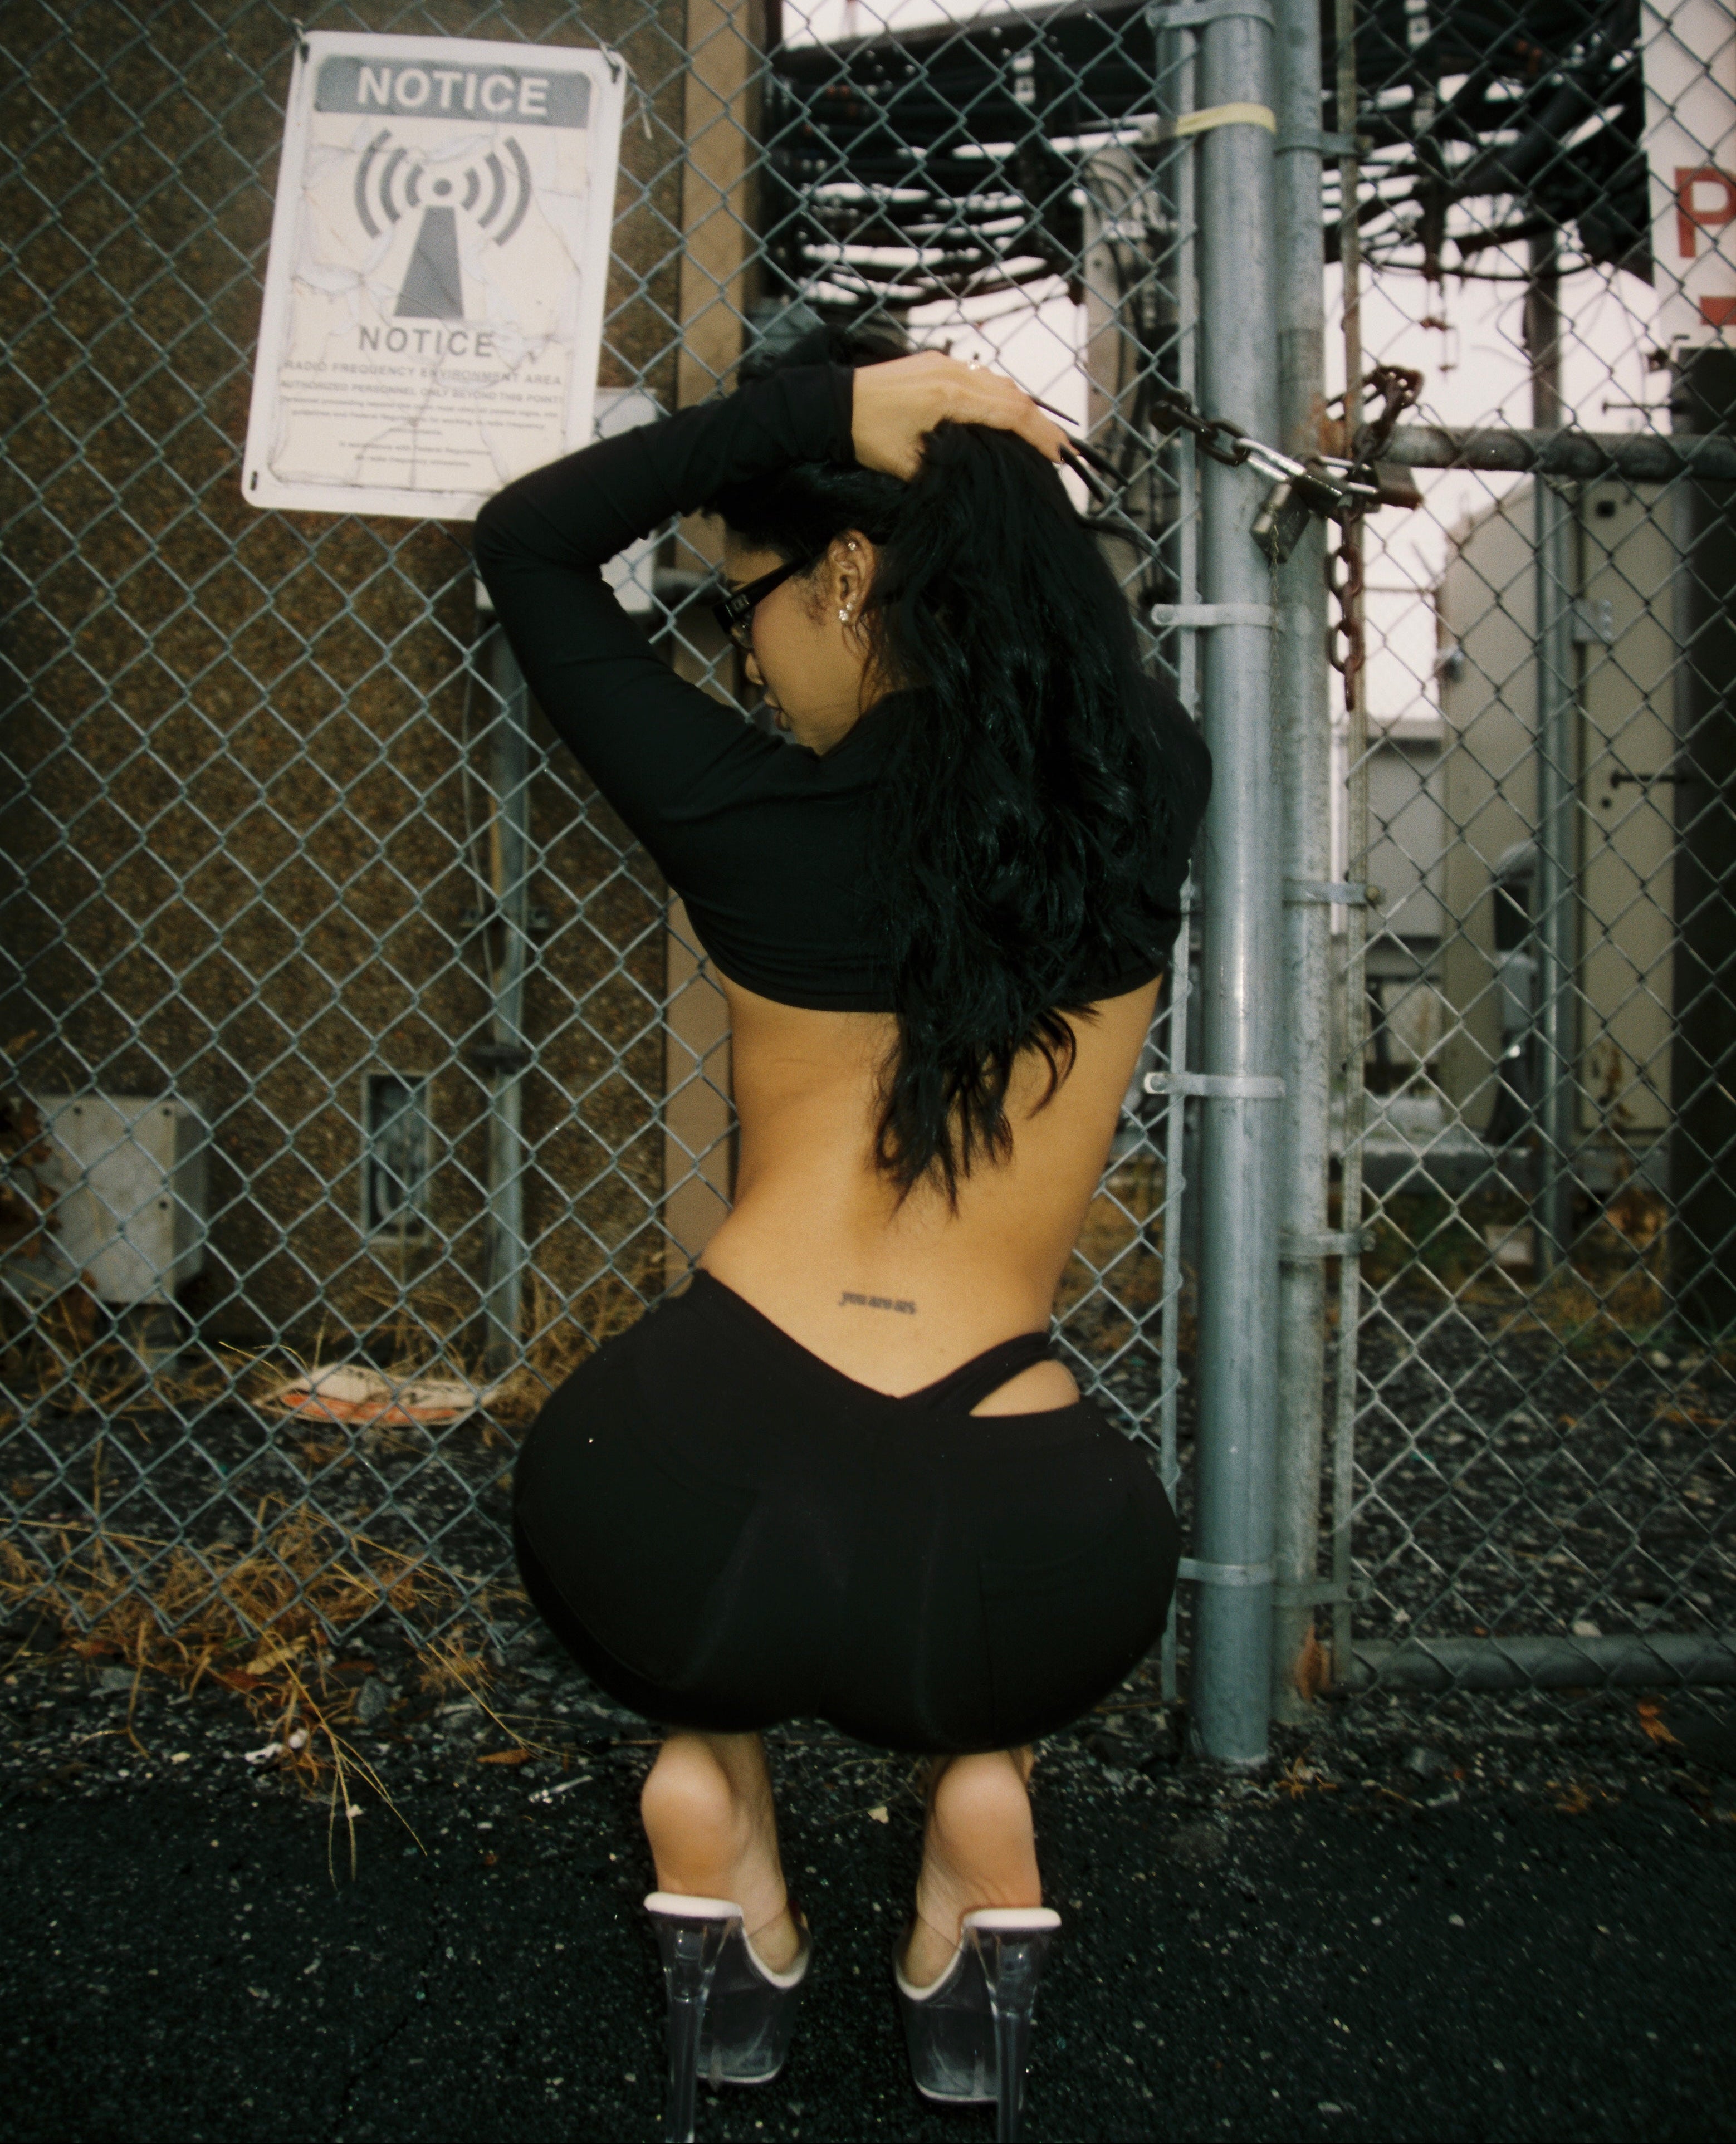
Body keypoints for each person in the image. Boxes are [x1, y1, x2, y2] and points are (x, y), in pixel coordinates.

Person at [473, 323, 1210, 2143]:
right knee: (979, 1651)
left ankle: (719, 1822)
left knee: (693, 1634)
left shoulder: (739, 809)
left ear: (854, 574)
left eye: (746, 608)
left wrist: (812, 414)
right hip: (1020, 1544)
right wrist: (975, 463)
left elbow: (525, 542)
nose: (745, 652)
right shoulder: (1147, 794)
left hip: (677, 1493)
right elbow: (1062, 673)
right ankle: (979, 1814)